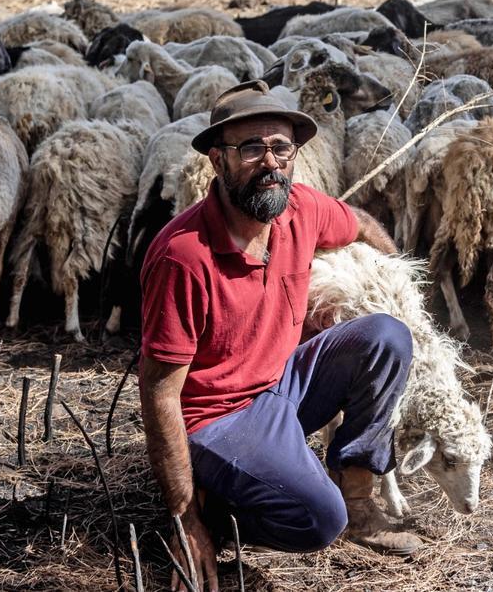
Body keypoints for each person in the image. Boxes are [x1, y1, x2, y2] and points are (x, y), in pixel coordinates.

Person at [138, 80, 420, 591]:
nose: (269, 162)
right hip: (217, 416)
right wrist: (185, 519)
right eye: (250, 148)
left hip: (282, 382)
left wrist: (400, 281)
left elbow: (358, 223)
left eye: (281, 147)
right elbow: (160, 391)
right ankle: (217, 517)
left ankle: (359, 499)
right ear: (218, 161)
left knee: (387, 335)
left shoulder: (299, 209)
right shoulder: (183, 256)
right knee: (317, 520)